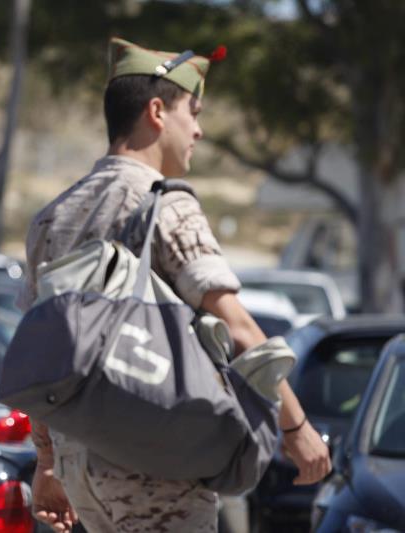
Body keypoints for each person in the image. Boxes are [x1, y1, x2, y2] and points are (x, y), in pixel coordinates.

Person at [16, 37, 332, 533]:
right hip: (152, 458)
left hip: (83, 468)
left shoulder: (53, 217)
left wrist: (50, 463)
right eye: (194, 111)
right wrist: (295, 428)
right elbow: (239, 327)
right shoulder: (166, 204)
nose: (200, 130)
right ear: (157, 111)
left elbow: (43, 354)